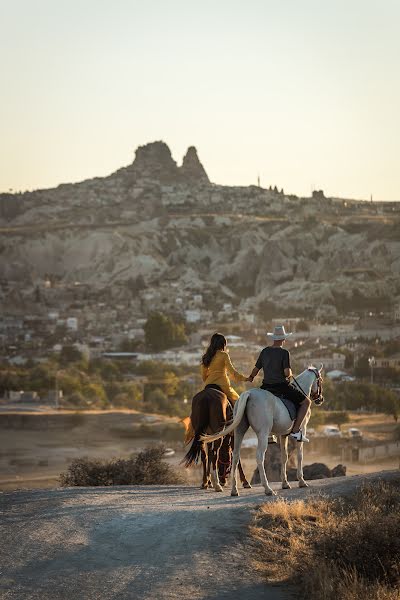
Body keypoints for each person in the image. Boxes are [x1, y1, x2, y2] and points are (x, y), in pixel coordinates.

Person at [248, 324, 311, 442]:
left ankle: (268, 434)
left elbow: (256, 370)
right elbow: (287, 373)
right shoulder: (284, 353)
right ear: (283, 339)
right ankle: (296, 431)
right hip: (281, 387)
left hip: (266, 387)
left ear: (273, 339)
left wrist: (251, 377)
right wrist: (290, 373)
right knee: (306, 402)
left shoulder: (265, 351)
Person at [201, 333, 250, 404]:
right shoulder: (224, 355)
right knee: (239, 403)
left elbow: (203, 375)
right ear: (223, 344)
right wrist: (244, 378)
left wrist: (208, 381)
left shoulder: (207, 356)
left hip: (208, 384)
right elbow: (232, 372)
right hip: (223, 385)